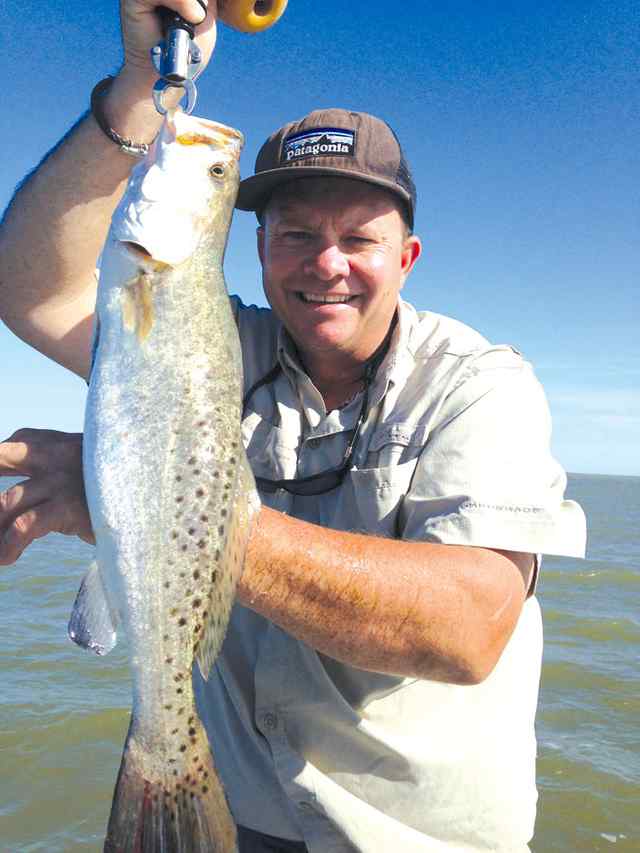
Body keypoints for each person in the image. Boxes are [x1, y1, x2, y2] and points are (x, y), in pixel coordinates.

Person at [0, 1, 586, 851]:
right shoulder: (213, 342)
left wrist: (160, 524)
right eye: (296, 234)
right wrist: (137, 91)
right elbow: (29, 289)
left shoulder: (480, 384)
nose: (327, 263)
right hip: (237, 806)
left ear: (407, 257)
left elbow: (468, 628)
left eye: (360, 238)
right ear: (261, 246)